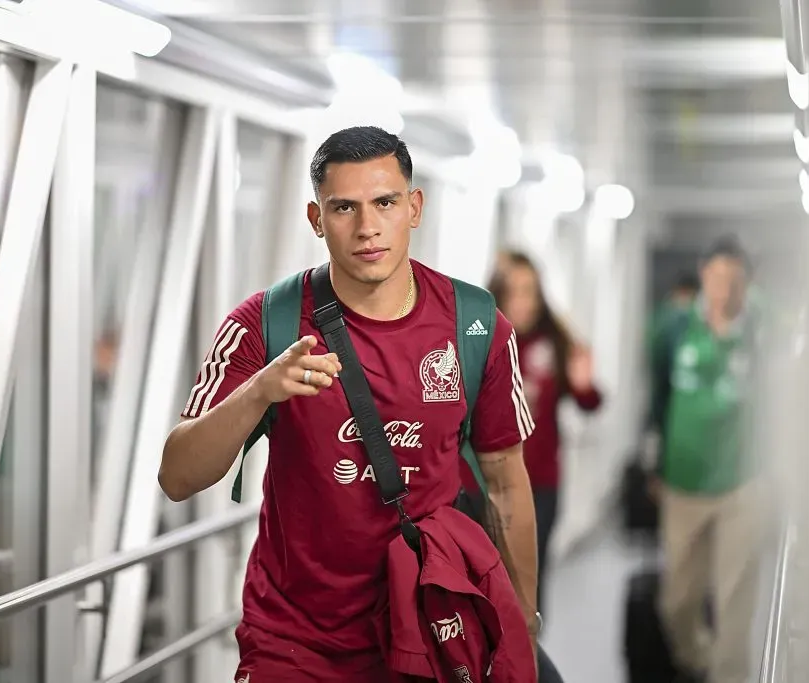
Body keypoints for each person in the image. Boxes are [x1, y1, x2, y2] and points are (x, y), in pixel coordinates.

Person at [160, 126, 540, 681]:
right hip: (292, 641)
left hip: (427, 630)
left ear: (413, 207)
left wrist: (519, 628)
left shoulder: (474, 326)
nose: (367, 228)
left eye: (384, 202)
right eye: (344, 207)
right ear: (316, 219)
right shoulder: (266, 324)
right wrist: (261, 389)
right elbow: (177, 475)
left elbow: (506, 484)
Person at [646, 236, 767, 683]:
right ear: (703, 277)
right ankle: (697, 665)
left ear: (747, 285)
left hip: (743, 484)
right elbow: (657, 398)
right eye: (716, 278)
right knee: (677, 601)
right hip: (684, 482)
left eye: (734, 281)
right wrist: (654, 465)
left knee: (735, 606)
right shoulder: (674, 329)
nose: (724, 289)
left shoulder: (762, 330)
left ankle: (728, 675)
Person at [465, 250, 602, 617]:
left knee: (530, 585)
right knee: (485, 583)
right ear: (498, 293)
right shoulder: (481, 339)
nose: (523, 301)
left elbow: (589, 401)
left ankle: (528, 663)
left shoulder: (554, 341)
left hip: (539, 483)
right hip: (486, 483)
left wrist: (584, 383)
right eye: (515, 291)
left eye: (530, 291)